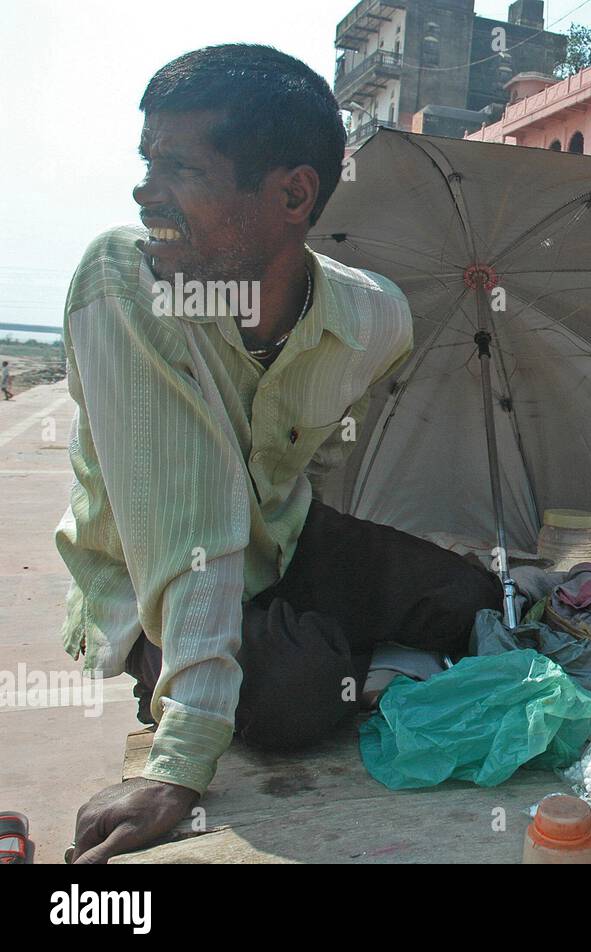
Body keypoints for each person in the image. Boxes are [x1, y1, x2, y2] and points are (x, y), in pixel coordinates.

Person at [57, 45, 503, 863]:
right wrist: (181, 766)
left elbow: (340, 453)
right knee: (297, 699)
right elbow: (187, 523)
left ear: (293, 193)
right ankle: (319, 656)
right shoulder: (125, 283)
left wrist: (368, 556)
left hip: (281, 534)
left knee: (474, 597)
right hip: (157, 570)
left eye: (179, 168)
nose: (143, 191)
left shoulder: (375, 320)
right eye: (146, 160)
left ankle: (334, 647)